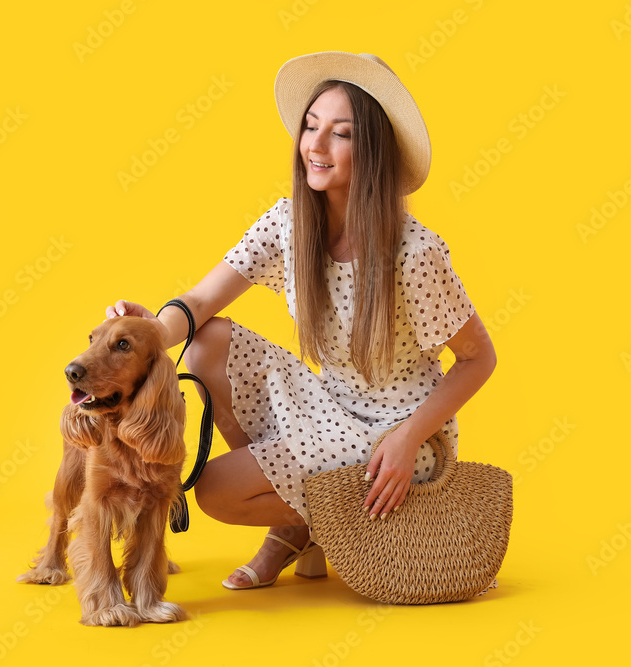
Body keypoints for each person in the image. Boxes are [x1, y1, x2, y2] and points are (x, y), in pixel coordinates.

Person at [106, 51, 496, 590]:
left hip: (399, 429)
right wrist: (146, 333)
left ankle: (292, 529)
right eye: (310, 126)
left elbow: (478, 359)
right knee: (207, 344)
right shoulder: (288, 223)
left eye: (340, 133)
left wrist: (409, 439)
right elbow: (199, 305)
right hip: (327, 404)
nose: (315, 145)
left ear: (374, 150)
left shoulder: (413, 252)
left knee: (217, 490)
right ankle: (303, 523)